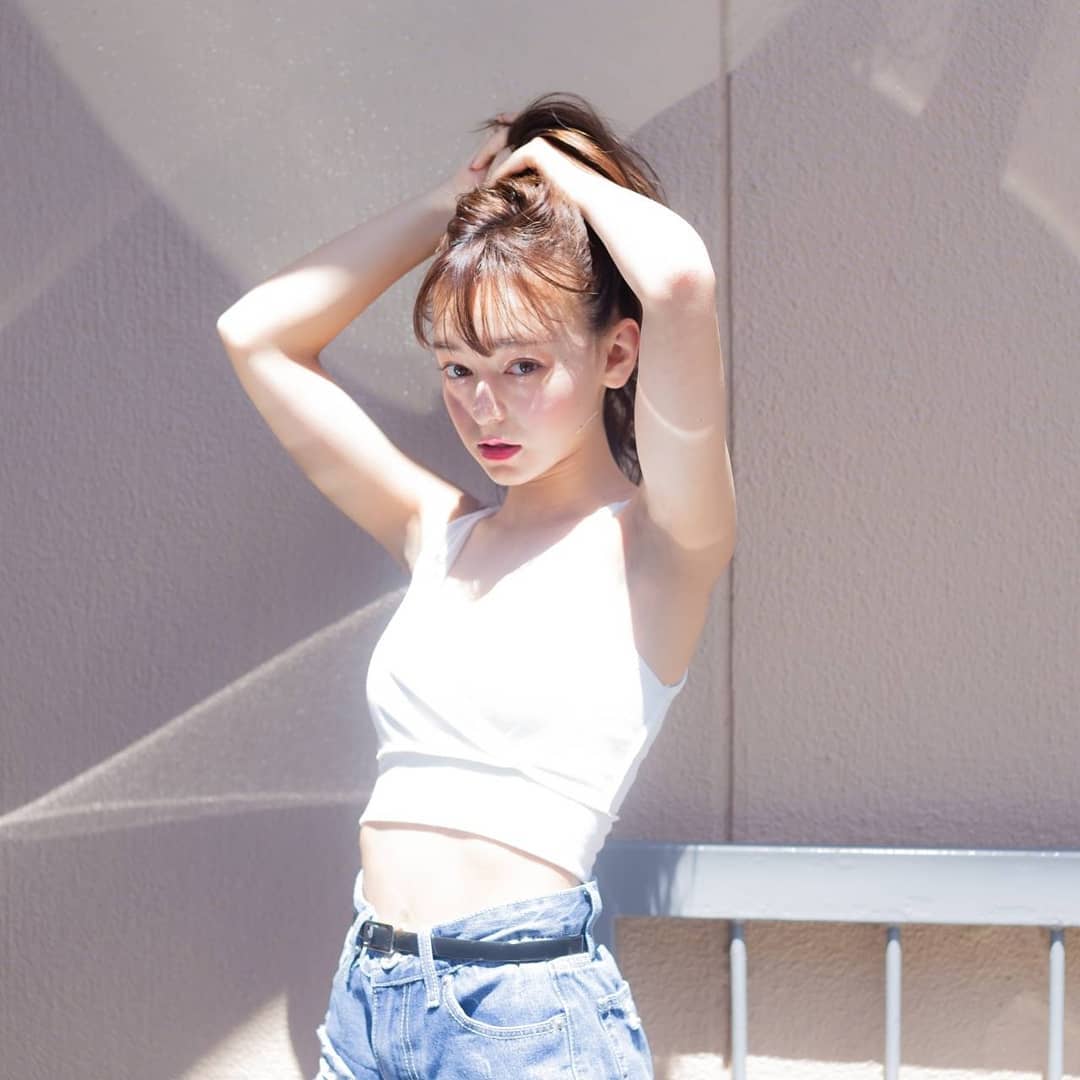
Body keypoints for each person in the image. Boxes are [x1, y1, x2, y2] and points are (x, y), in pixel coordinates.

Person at [216, 91, 735, 1079]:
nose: (484, 406)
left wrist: (546, 164)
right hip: (367, 1003)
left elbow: (676, 278)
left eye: (522, 364)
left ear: (617, 353)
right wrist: (450, 205)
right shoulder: (437, 533)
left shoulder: (663, 546)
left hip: (523, 1018)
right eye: (457, 369)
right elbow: (256, 335)